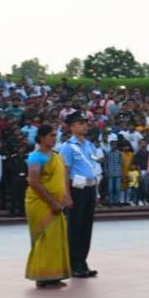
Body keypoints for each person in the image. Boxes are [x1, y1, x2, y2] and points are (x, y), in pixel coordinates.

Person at [24, 124, 72, 288]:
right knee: (43, 239)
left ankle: (54, 275)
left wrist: (65, 197)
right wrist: (52, 202)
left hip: (57, 203)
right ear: (42, 138)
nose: (54, 138)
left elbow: (61, 179)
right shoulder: (36, 158)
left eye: (55, 135)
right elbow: (34, 182)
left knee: (55, 239)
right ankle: (41, 277)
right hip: (40, 203)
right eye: (51, 135)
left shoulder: (57, 157)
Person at [61, 112, 100, 278]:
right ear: (71, 127)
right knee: (75, 227)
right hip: (76, 189)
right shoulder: (68, 147)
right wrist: (67, 195)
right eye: (80, 123)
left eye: (85, 123)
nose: (85, 125)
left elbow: (93, 166)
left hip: (90, 187)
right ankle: (74, 263)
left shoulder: (89, 145)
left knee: (86, 227)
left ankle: (82, 261)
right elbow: (65, 172)